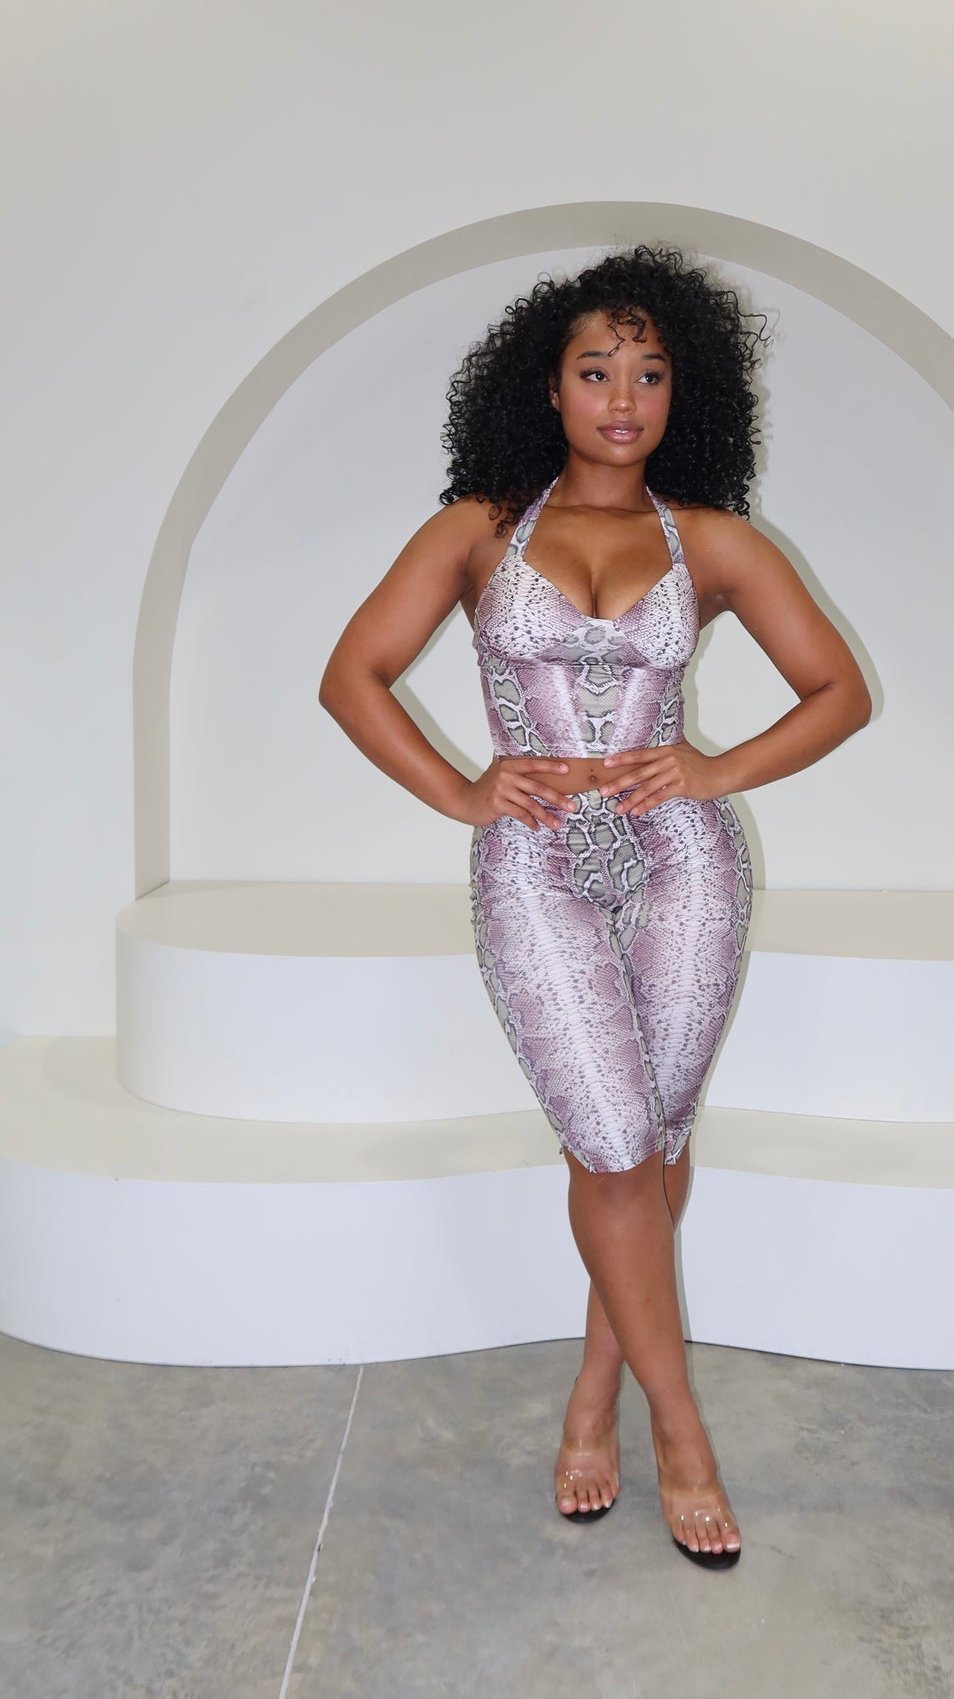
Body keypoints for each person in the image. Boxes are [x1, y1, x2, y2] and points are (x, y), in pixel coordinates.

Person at [318, 244, 872, 1568]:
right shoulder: (477, 528)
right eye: (596, 370)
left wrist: (716, 769)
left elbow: (838, 691)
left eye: (651, 371)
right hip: (535, 867)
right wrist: (465, 791)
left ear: (688, 391)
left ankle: (589, 1399)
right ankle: (678, 1429)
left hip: (686, 863)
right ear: (547, 387)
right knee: (617, 1143)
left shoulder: (718, 542)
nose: (625, 396)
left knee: (652, 1140)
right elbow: (354, 676)